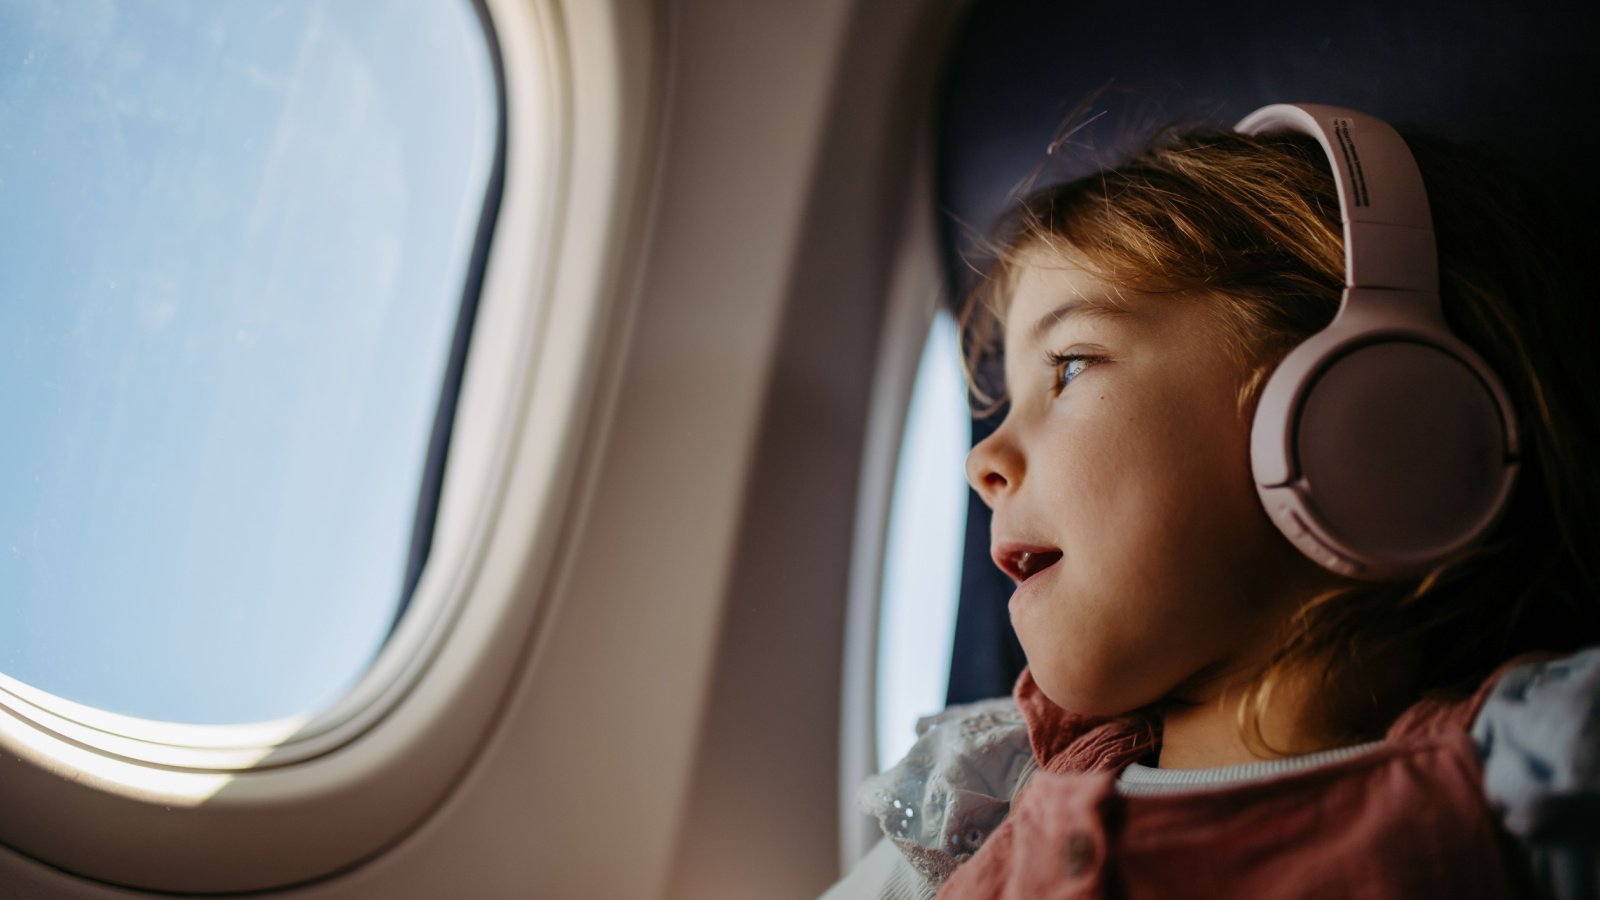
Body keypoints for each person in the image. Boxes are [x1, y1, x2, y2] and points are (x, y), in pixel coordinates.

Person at [824, 104, 1600, 899]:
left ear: (1365, 404)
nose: (981, 461)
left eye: (1070, 366)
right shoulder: (982, 801)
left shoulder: (1543, 779)